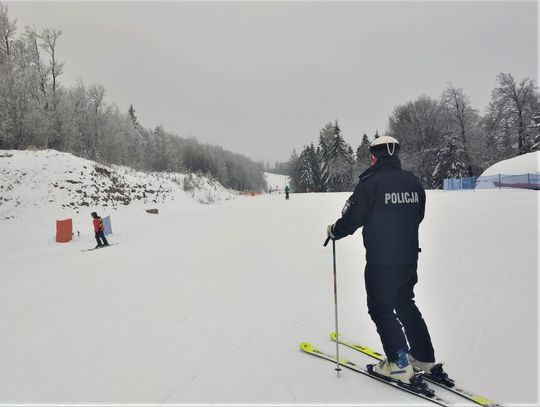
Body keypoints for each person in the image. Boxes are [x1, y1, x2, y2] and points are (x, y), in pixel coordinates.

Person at [326, 136, 446, 385]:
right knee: (404, 302)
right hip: (409, 257)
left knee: (381, 308)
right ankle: (423, 357)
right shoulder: (413, 183)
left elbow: (352, 218)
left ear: (373, 157)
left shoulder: (370, 184)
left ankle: (400, 363)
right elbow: (419, 215)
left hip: (382, 260)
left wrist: (334, 231)